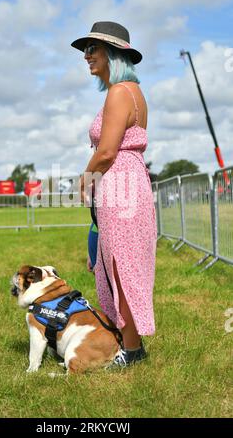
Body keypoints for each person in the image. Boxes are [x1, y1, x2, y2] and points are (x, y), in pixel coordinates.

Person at [72, 21, 157, 367]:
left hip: (120, 183)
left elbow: (107, 151)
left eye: (93, 49)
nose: (87, 56)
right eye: (86, 50)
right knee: (117, 264)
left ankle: (132, 351)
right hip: (127, 182)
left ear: (113, 53)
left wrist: (86, 177)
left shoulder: (120, 93)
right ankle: (128, 342)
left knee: (121, 267)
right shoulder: (133, 92)